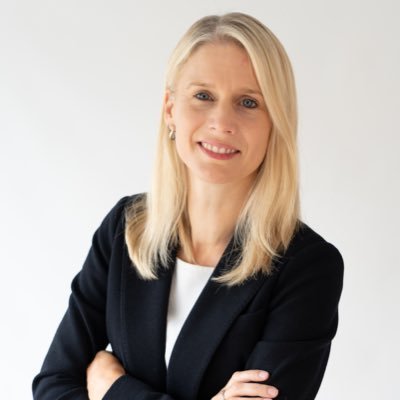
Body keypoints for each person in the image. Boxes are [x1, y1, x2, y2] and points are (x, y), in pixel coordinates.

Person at [32, 12, 344, 400]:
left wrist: (113, 389)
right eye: (203, 96)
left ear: (275, 124)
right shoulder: (126, 229)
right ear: (170, 109)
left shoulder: (307, 267)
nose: (221, 122)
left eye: (249, 102)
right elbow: (54, 385)